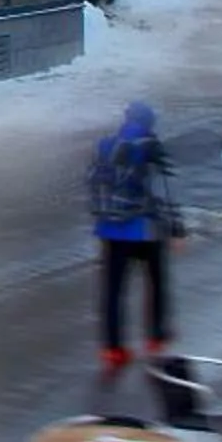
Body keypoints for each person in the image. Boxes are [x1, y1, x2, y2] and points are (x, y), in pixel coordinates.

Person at [87, 100, 179, 369]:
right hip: (145, 229)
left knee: (113, 290)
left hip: (111, 229)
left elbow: (93, 182)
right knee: (156, 283)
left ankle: (113, 348)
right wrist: (176, 228)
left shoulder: (106, 145)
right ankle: (156, 337)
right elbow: (165, 188)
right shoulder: (151, 146)